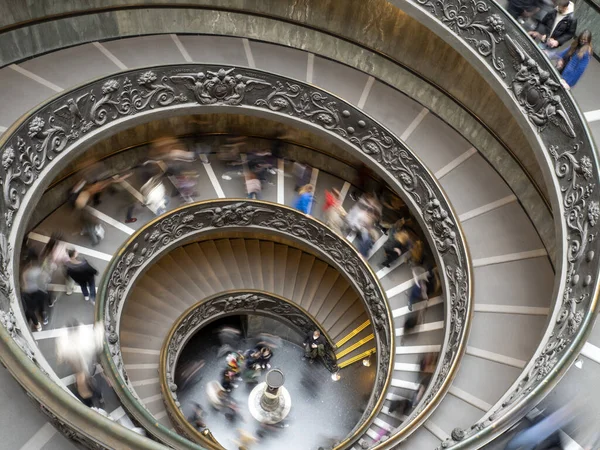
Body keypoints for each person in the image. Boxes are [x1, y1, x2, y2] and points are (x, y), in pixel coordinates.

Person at [21, 252, 49, 330]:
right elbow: (46, 279)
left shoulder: (25, 273)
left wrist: (24, 290)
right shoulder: (39, 270)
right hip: (41, 291)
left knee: (31, 307)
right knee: (41, 304)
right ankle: (44, 316)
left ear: (30, 263)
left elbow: (25, 286)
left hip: (31, 292)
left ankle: (36, 322)